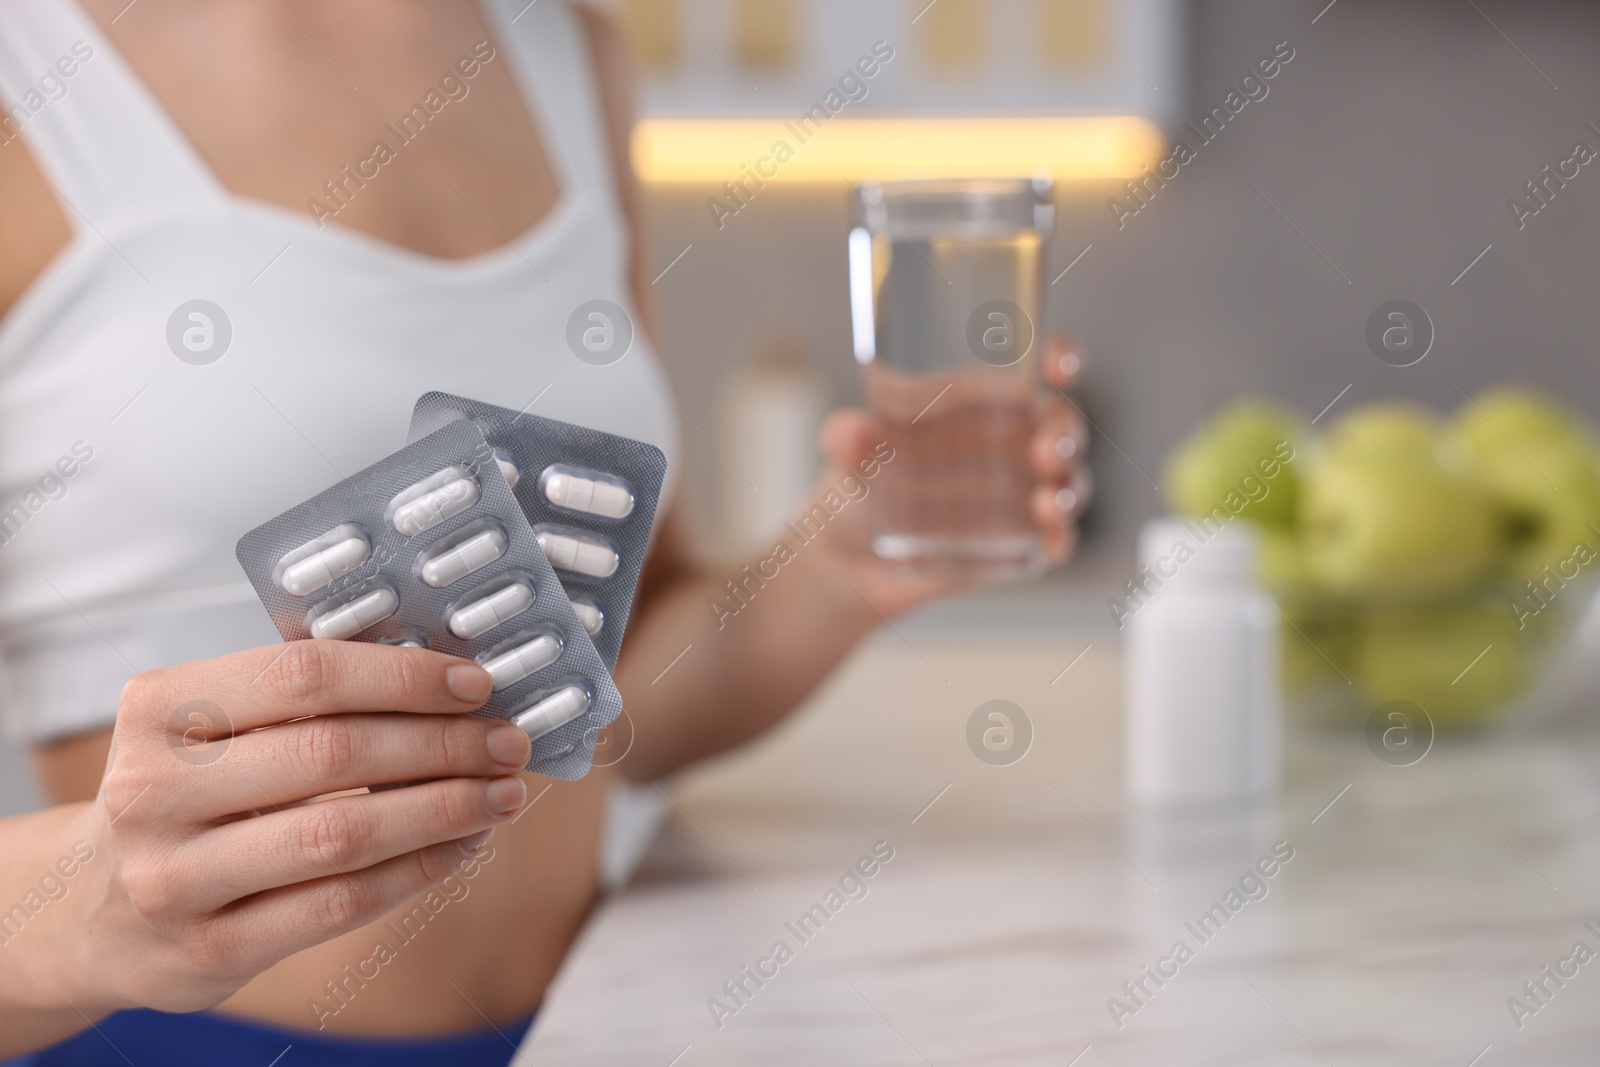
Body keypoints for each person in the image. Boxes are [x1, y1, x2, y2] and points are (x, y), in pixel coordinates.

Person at [0, 0, 1089, 1061]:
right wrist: (86, 898)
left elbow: (617, 694)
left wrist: (844, 553)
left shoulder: (566, 51)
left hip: (591, 1021)